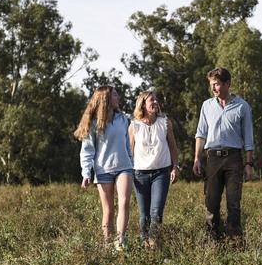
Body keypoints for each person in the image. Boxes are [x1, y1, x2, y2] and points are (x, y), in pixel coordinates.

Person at [193, 67, 254, 240]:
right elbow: (200, 134)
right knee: (211, 202)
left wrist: (249, 164)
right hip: (212, 158)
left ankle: (234, 242)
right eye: (212, 84)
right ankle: (213, 242)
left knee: (233, 202)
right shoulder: (207, 106)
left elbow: (248, 138)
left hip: (234, 158)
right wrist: (197, 158)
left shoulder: (242, 106)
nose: (214, 88)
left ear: (227, 84)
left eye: (217, 84)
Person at [74, 86, 133, 251]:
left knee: (125, 202)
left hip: (124, 167)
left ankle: (120, 242)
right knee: (108, 210)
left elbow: (127, 143)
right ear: (106, 99)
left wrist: (131, 161)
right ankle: (107, 246)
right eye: (115, 95)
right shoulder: (94, 123)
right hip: (103, 170)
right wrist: (86, 173)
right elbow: (87, 151)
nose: (118, 97)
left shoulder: (123, 119)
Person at [129, 91, 181, 250]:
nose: (156, 102)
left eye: (157, 100)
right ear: (143, 104)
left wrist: (175, 166)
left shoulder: (165, 122)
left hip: (161, 173)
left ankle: (153, 244)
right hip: (139, 174)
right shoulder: (134, 125)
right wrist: (127, 173)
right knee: (144, 215)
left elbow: (173, 147)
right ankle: (144, 244)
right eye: (152, 100)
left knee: (156, 212)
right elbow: (129, 151)